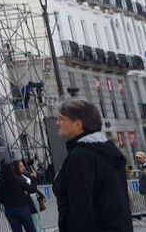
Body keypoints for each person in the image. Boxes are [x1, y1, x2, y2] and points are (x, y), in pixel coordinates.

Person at [51, 99, 134, 232]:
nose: (57, 123)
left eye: (61, 119)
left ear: (78, 124)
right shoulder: (108, 150)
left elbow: (80, 207)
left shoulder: (81, 156)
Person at [0, 158, 39, 232]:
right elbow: (32, 189)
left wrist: (6, 202)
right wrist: (33, 178)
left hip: (9, 209)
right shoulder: (18, 179)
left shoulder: (0, 183)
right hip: (22, 207)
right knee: (30, 229)